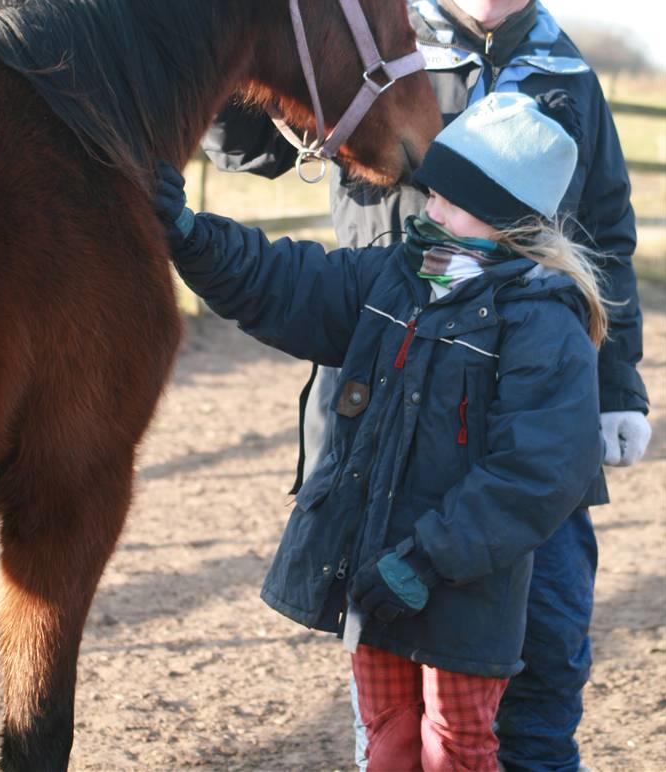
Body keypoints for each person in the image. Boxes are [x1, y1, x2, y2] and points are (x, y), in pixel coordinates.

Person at [200, 0, 651, 771]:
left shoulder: (568, 78)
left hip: (526, 388)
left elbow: (604, 233)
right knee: (392, 650)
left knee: (546, 640)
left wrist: (618, 384)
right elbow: (252, 140)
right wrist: (231, 95)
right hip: (388, 374)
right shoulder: (374, 35)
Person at [154, 91, 606, 772]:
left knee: (456, 745)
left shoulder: (542, 320)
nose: (430, 207)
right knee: (387, 734)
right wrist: (189, 231)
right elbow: (287, 283)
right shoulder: (399, 276)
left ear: (502, 220)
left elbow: (539, 471)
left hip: (461, 590)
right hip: (373, 572)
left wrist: (425, 562)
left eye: (451, 199)